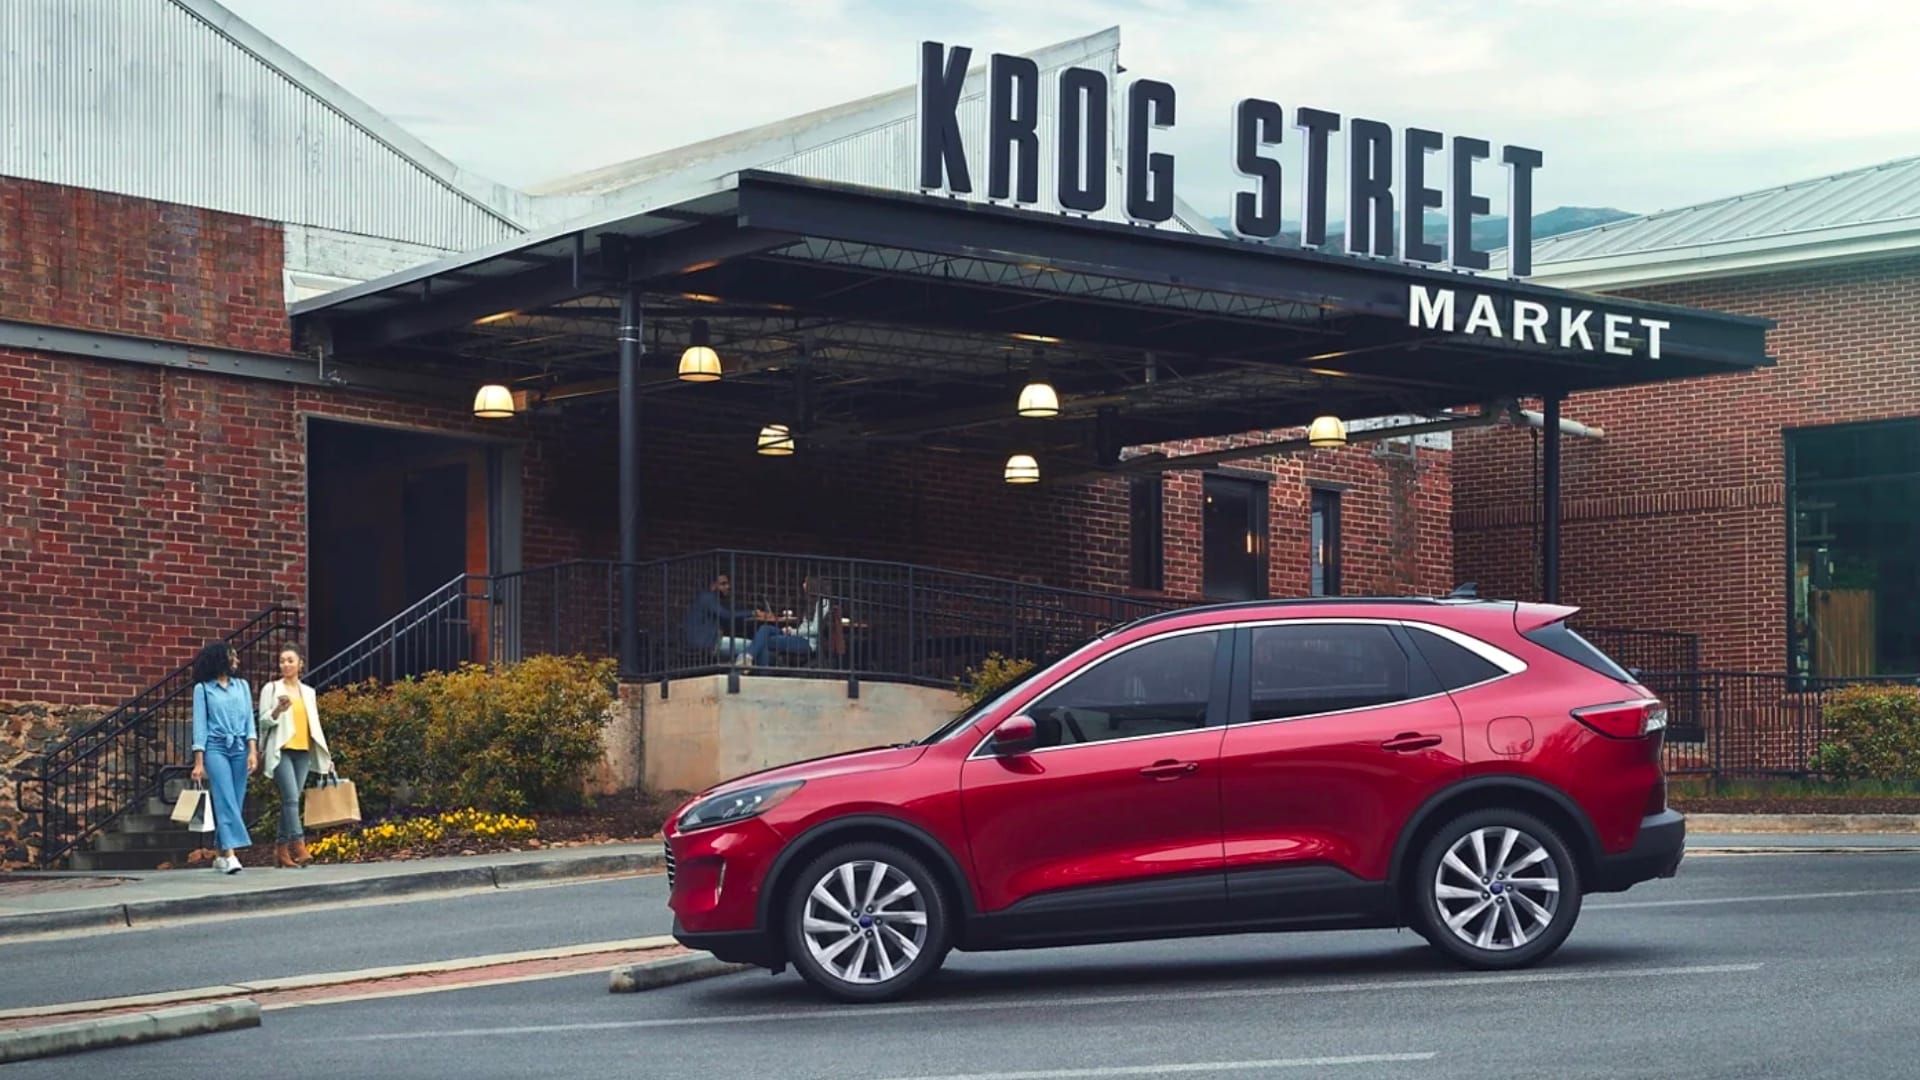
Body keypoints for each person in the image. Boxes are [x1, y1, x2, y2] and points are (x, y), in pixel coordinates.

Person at [258, 645, 335, 869]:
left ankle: (281, 851)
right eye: (282, 661)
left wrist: (325, 756)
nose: (285, 665)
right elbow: (262, 721)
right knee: (291, 798)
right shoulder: (271, 689)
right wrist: (277, 711)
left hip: (303, 751)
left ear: (300, 663)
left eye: (290, 660)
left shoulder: (308, 692)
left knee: (289, 801)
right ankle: (299, 844)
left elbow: (315, 726)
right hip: (281, 750)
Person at [189, 641, 256, 874]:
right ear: (220, 659)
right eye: (232, 656)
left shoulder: (242, 686)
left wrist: (253, 751)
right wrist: (199, 762)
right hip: (215, 748)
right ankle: (231, 854)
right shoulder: (203, 690)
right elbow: (199, 727)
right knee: (225, 798)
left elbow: (250, 721)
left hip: (239, 747)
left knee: (235, 801)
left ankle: (218, 853)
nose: (236, 661)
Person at [683, 573, 777, 667]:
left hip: (709, 641)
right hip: (707, 643)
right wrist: (754, 613)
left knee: (757, 647)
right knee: (754, 647)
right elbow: (726, 615)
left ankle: (752, 670)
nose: (728, 587)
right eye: (723, 584)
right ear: (713, 586)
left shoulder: (710, 599)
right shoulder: (707, 597)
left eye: (727, 584)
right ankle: (762, 675)